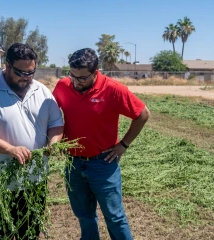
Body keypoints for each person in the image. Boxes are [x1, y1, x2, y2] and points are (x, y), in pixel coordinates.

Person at [0, 43, 64, 239]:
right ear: (7, 66)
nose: (27, 77)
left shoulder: (42, 91)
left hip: (35, 181)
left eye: (31, 72)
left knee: (29, 233)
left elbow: (56, 123)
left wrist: (54, 142)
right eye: (21, 72)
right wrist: (10, 149)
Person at [53, 48, 150, 240]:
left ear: (95, 72)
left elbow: (143, 114)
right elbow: (51, 116)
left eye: (81, 78)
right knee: (84, 216)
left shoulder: (113, 89)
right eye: (72, 75)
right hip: (73, 164)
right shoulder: (63, 86)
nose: (75, 82)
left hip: (103, 163)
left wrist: (123, 144)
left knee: (114, 217)